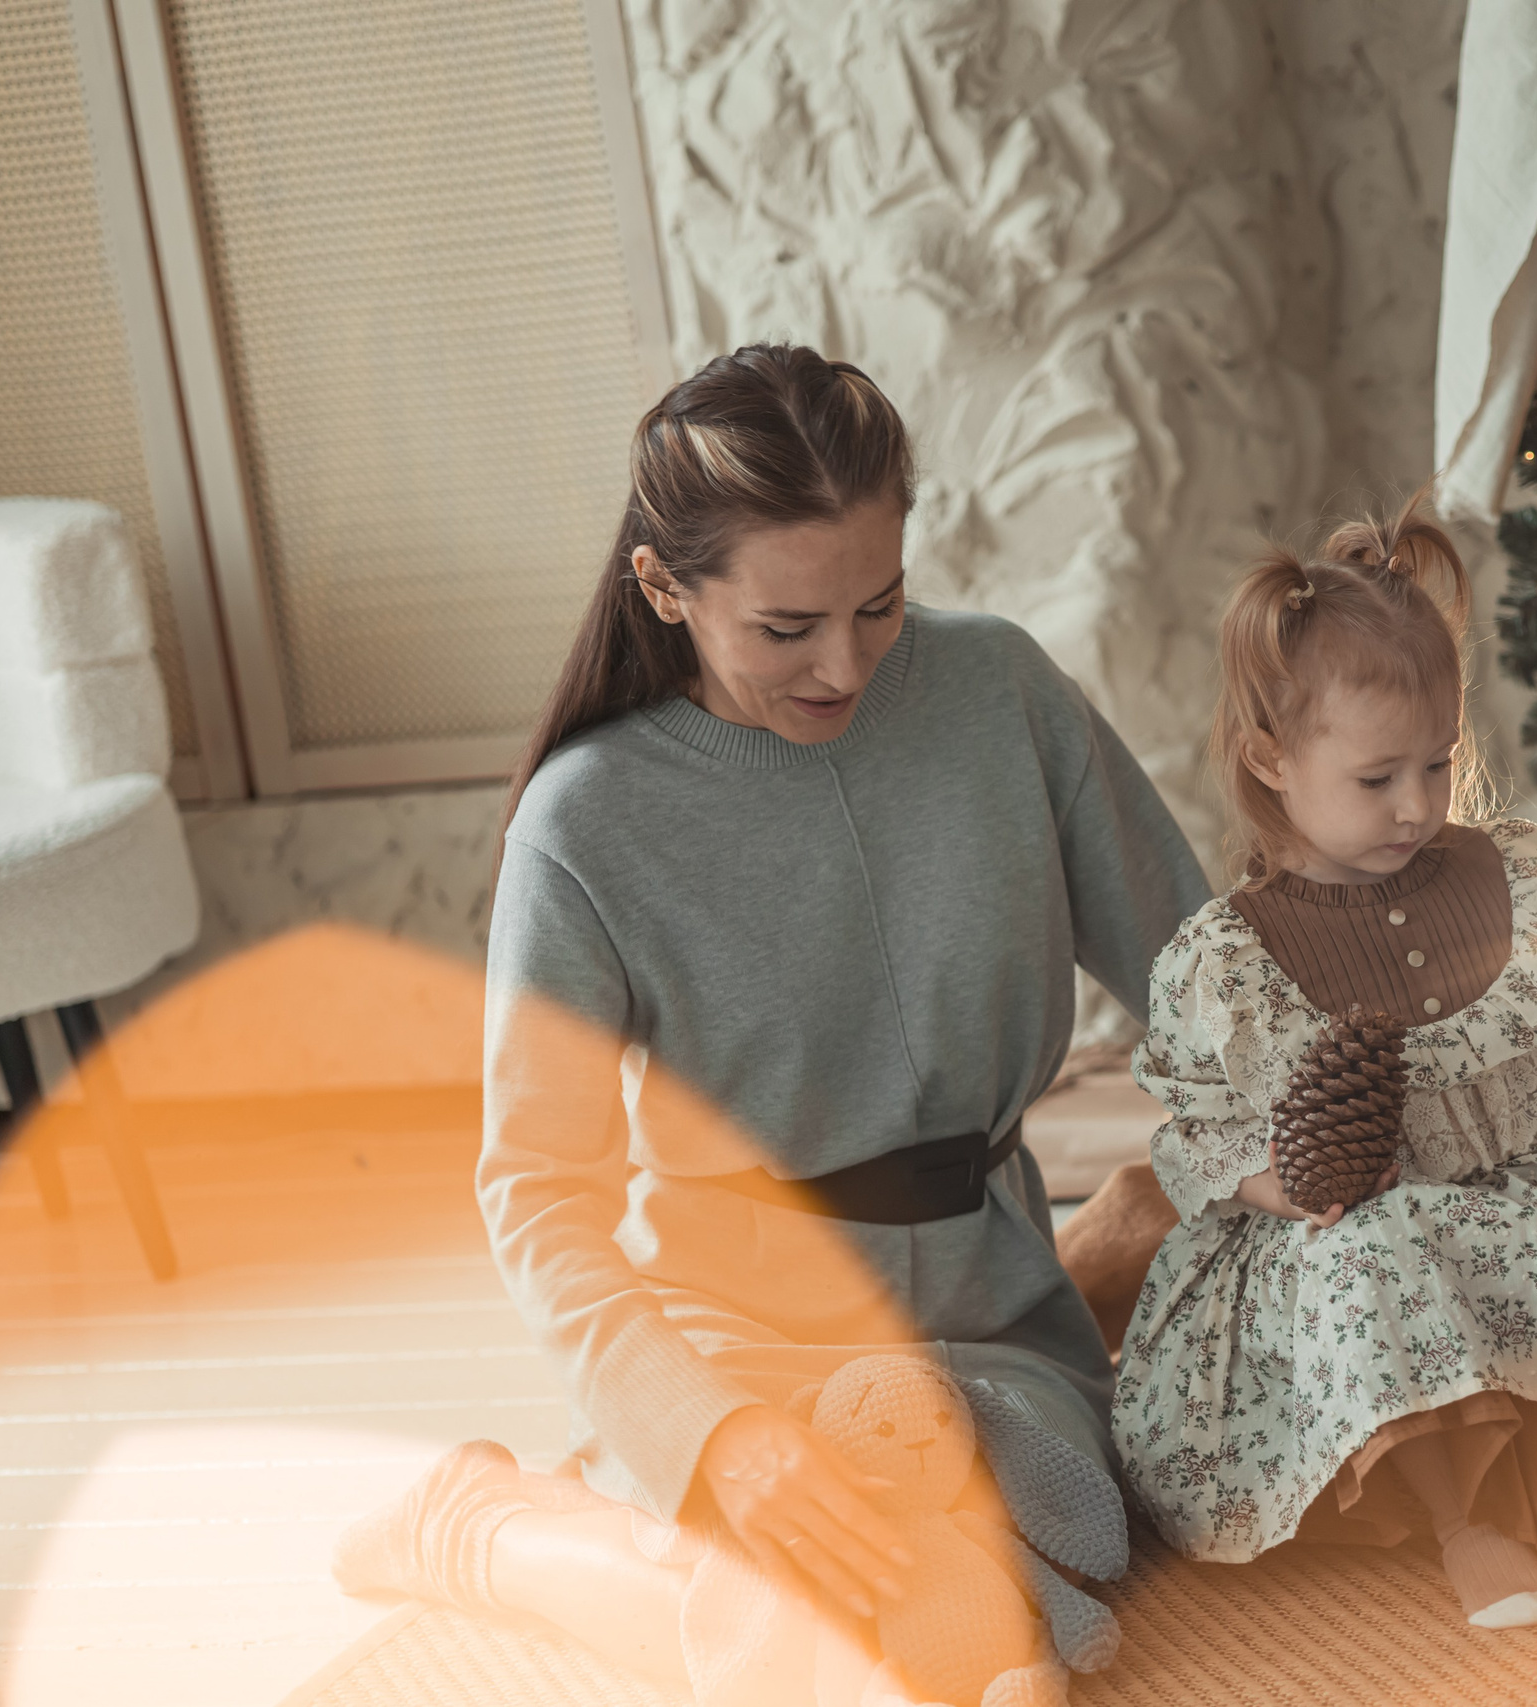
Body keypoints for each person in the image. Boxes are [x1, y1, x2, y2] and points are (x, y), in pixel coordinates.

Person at [333, 345, 1213, 1697]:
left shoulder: (1001, 690)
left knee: (1019, 1567)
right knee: (823, 1613)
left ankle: (535, 1531)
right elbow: (537, 1192)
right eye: (786, 628)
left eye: (881, 603)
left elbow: (1201, 982)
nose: (846, 663)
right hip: (732, 1325)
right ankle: (486, 1529)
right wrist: (721, 1433)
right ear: (665, 589)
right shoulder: (584, 823)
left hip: (987, 1304)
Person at [1112, 498, 1537, 1632]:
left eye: (1438, 763)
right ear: (1271, 757)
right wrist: (1276, 1182)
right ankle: (1468, 1518)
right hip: (1368, 1202)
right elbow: (1198, 1127)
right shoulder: (1228, 959)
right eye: (1377, 780)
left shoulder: (1522, 877)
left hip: (1534, 1165)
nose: (1419, 805)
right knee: (1377, 1258)